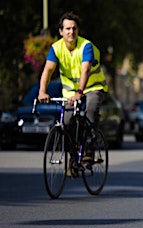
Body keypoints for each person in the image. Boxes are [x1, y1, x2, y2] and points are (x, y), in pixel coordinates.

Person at [38, 11, 108, 162]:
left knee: (91, 110)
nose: (71, 32)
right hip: (70, 91)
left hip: (92, 87)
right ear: (61, 31)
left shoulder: (85, 46)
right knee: (67, 122)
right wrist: (42, 91)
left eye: (74, 28)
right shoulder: (56, 48)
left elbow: (86, 70)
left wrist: (79, 92)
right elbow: (48, 70)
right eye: (68, 29)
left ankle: (89, 149)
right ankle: (72, 158)